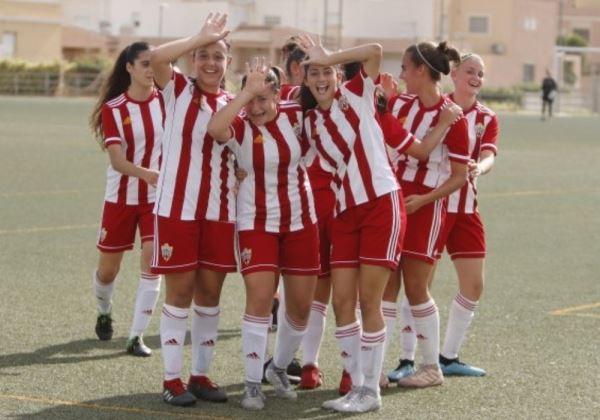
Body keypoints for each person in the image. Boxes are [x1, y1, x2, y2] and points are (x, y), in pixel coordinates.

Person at [296, 34, 460, 413]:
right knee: (341, 302)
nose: (321, 79)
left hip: (380, 206)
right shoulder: (308, 121)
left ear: (338, 76)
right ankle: (355, 383)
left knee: (370, 300)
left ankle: (370, 390)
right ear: (304, 81)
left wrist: (328, 55)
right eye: (313, 74)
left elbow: (373, 52)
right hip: (344, 213)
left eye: (327, 72)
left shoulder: (356, 94)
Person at [207, 59, 319, 411]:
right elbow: (214, 128)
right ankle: (252, 383)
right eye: (250, 99)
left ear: (277, 92)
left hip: (301, 220)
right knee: (259, 298)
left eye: (262, 99)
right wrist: (244, 95)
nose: (255, 108)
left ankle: (279, 368)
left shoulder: (296, 113)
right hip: (256, 222)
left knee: (300, 307)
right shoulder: (238, 124)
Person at [389, 53, 499, 379]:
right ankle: (407, 360)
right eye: (470, 71)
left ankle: (447, 356)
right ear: (453, 73)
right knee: (418, 283)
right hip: (433, 207)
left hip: (464, 208)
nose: (476, 77)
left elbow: (489, 154)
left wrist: (481, 166)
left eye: (481, 73)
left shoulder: (486, 117)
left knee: (474, 284)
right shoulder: (435, 107)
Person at [149, 13, 234, 406]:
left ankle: (200, 374)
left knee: (210, 295)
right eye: (203, 55)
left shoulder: (235, 104)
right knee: (179, 292)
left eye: (217, 55)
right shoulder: (178, 88)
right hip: (176, 209)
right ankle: (171, 380)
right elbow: (156, 58)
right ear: (193, 59)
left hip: (220, 211)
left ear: (228, 62)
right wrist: (199, 36)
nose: (210, 63)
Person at [380, 41, 470, 389]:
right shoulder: (401, 103)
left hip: (425, 208)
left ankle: (432, 367)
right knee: (385, 284)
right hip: (392, 204)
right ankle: (376, 368)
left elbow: (459, 177)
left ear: (421, 71)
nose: (401, 75)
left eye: (405, 68)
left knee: (416, 287)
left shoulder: (453, 117)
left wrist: (424, 200)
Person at [89, 41, 163, 358]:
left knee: (152, 261)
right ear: (129, 68)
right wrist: (147, 173)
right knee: (108, 271)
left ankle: (136, 336)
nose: (151, 70)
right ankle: (104, 310)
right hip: (121, 196)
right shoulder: (115, 108)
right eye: (145, 64)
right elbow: (117, 161)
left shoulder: (167, 101)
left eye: (154, 64)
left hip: (156, 199)